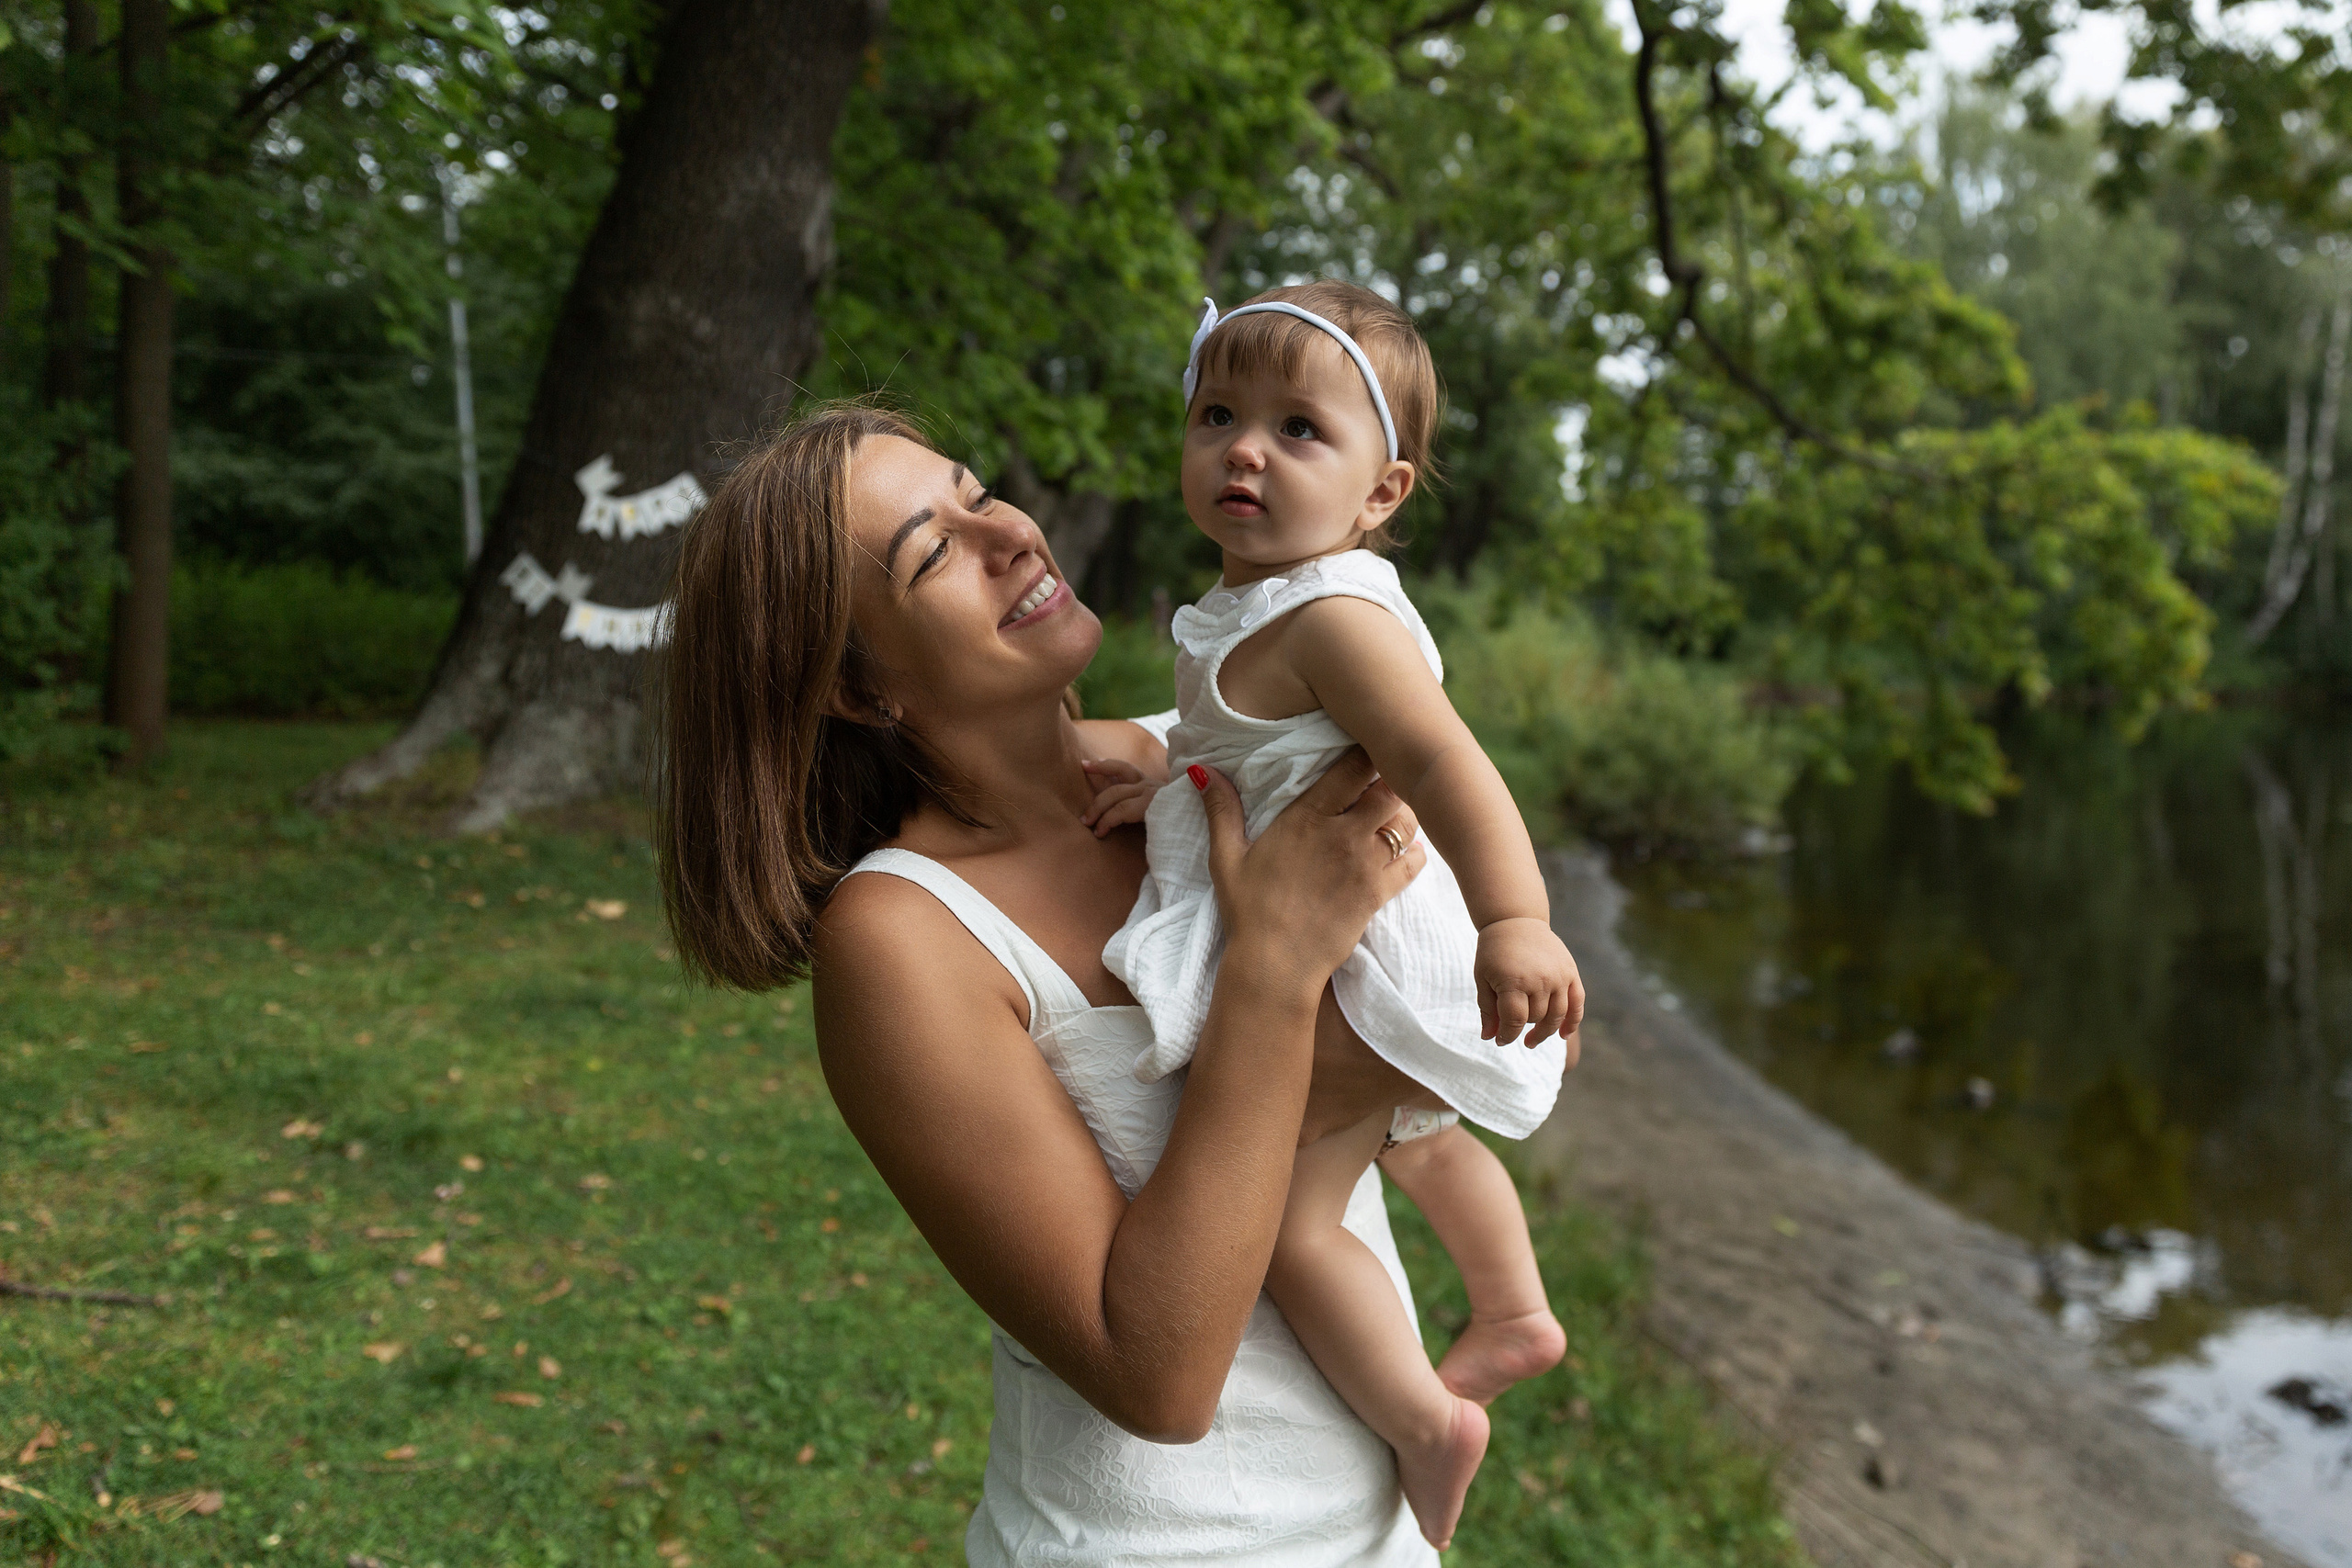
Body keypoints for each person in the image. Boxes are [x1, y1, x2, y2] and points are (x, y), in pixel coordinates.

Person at [655, 404, 1575, 1565]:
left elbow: (1469, 997)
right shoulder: (905, 938)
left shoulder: (1203, 766)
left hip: (1379, 1535)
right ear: (858, 689)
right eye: (933, 553)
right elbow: (1156, 1376)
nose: (1010, 538)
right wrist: (1272, 971)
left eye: (978, 492)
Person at [1081, 282, 1583, 1549]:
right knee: (1407, 1128)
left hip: (1355, 948)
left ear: (1382, 493)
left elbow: (1448, 760)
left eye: (1299, 428)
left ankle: (1425, 1418)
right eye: (1217, 412)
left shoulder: (1334, 618)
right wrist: (1172, 782)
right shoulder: (1269, 601)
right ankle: (1513, 1306)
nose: (1243, 446)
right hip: (1358, 928)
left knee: (1296, 1224)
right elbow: (1253, 750)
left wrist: (1518, 918)